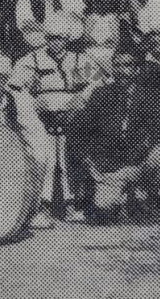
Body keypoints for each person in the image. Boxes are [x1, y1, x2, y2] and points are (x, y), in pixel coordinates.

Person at [8, 12, 100, 227]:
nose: (55, 43)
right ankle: (42, 208)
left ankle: (72, 205)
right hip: (41, 121)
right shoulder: (32, 59)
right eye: (50, 38)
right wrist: (33, 104)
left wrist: (81, 97)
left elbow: (100, 82)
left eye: (59, 38)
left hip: (73, 120)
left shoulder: (78, 59)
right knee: (46, 160)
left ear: (67, 39)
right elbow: (14, 88)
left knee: (69, 160)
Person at [69, 49, 160, 222]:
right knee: (103, 210)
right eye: (117, 66)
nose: (121, 70)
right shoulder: (101, 95)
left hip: (141, 166)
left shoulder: (151, 96)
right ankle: (125, 197)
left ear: (137, 69)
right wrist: (90, 164)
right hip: (111, 169)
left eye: (127, 66)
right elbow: (77, 131)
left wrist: (151, 158)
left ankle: (144, 195)